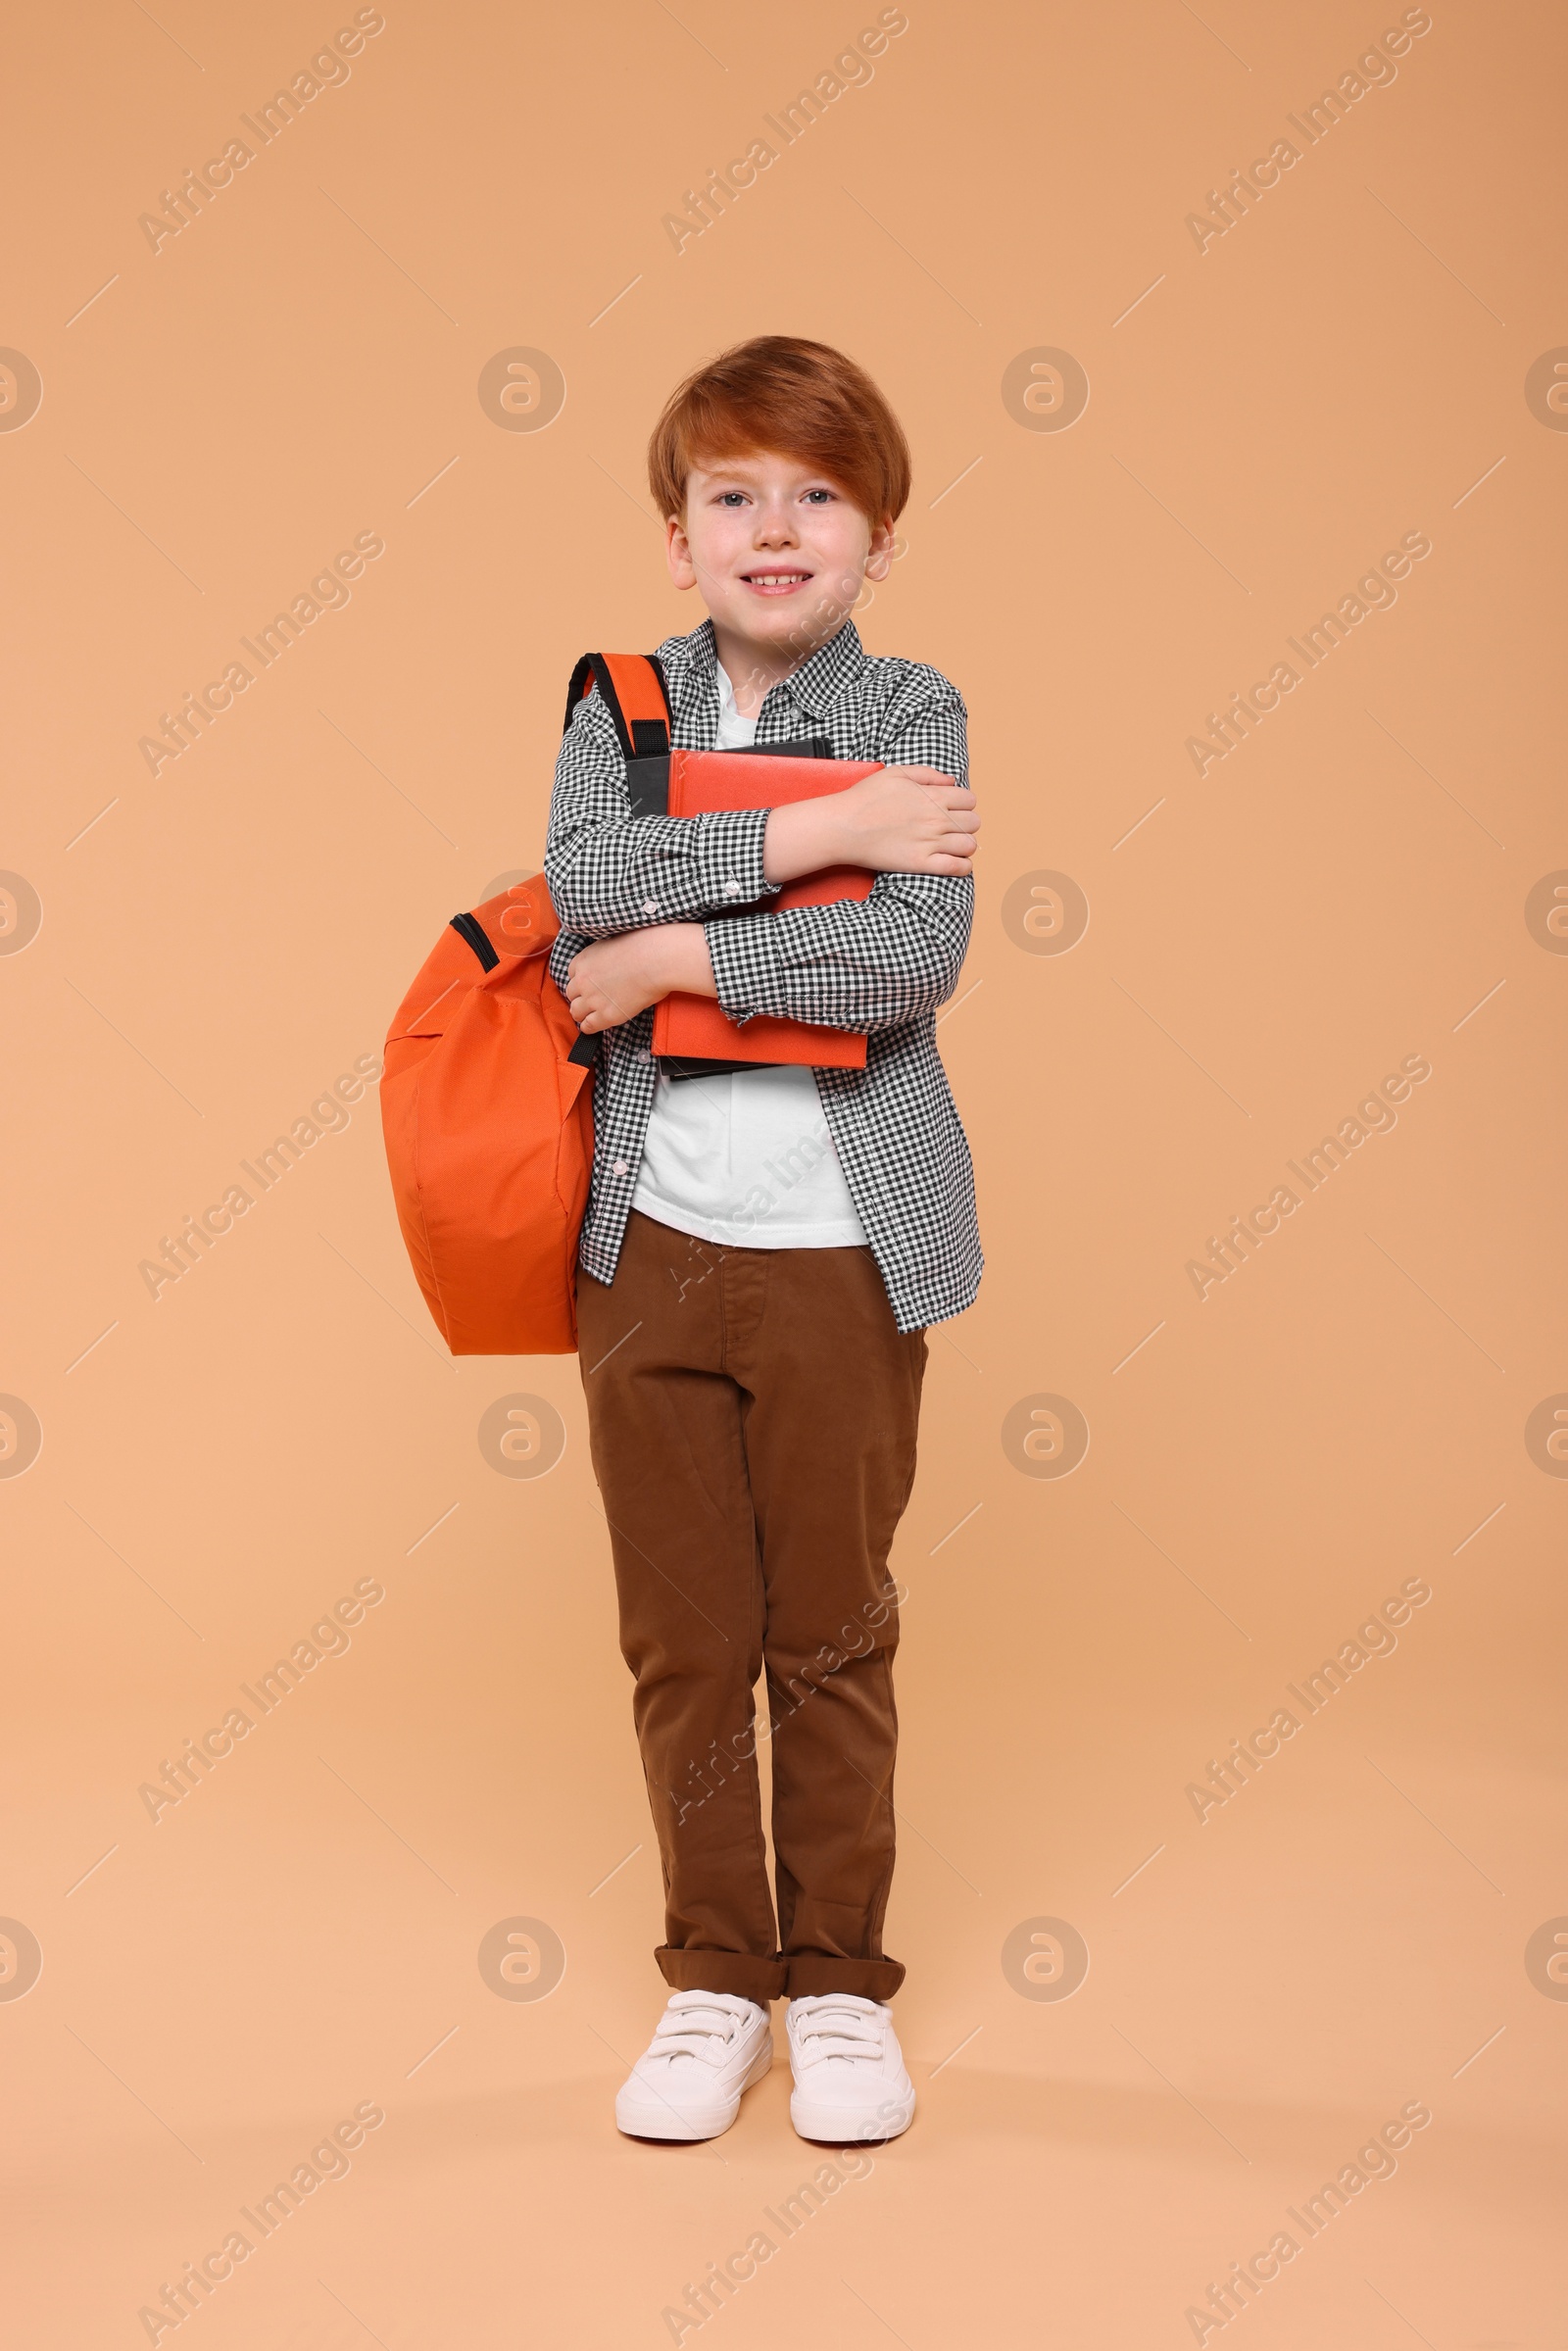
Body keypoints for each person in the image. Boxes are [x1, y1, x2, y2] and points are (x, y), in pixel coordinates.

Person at [546, 335, 981, 2143]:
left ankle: (839, 1985)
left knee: (830, 1626)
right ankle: (717, 1975)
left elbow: (897, 965)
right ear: (679, 537)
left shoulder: (918, 713)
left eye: (818, 494)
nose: (776, 526)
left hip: (841, 1243)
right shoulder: (617, 702)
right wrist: (825, 836)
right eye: (735, 495)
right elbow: (582, 896)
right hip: (647, 1239)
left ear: (878, 532)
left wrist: (665, 960)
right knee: (684, 1634)